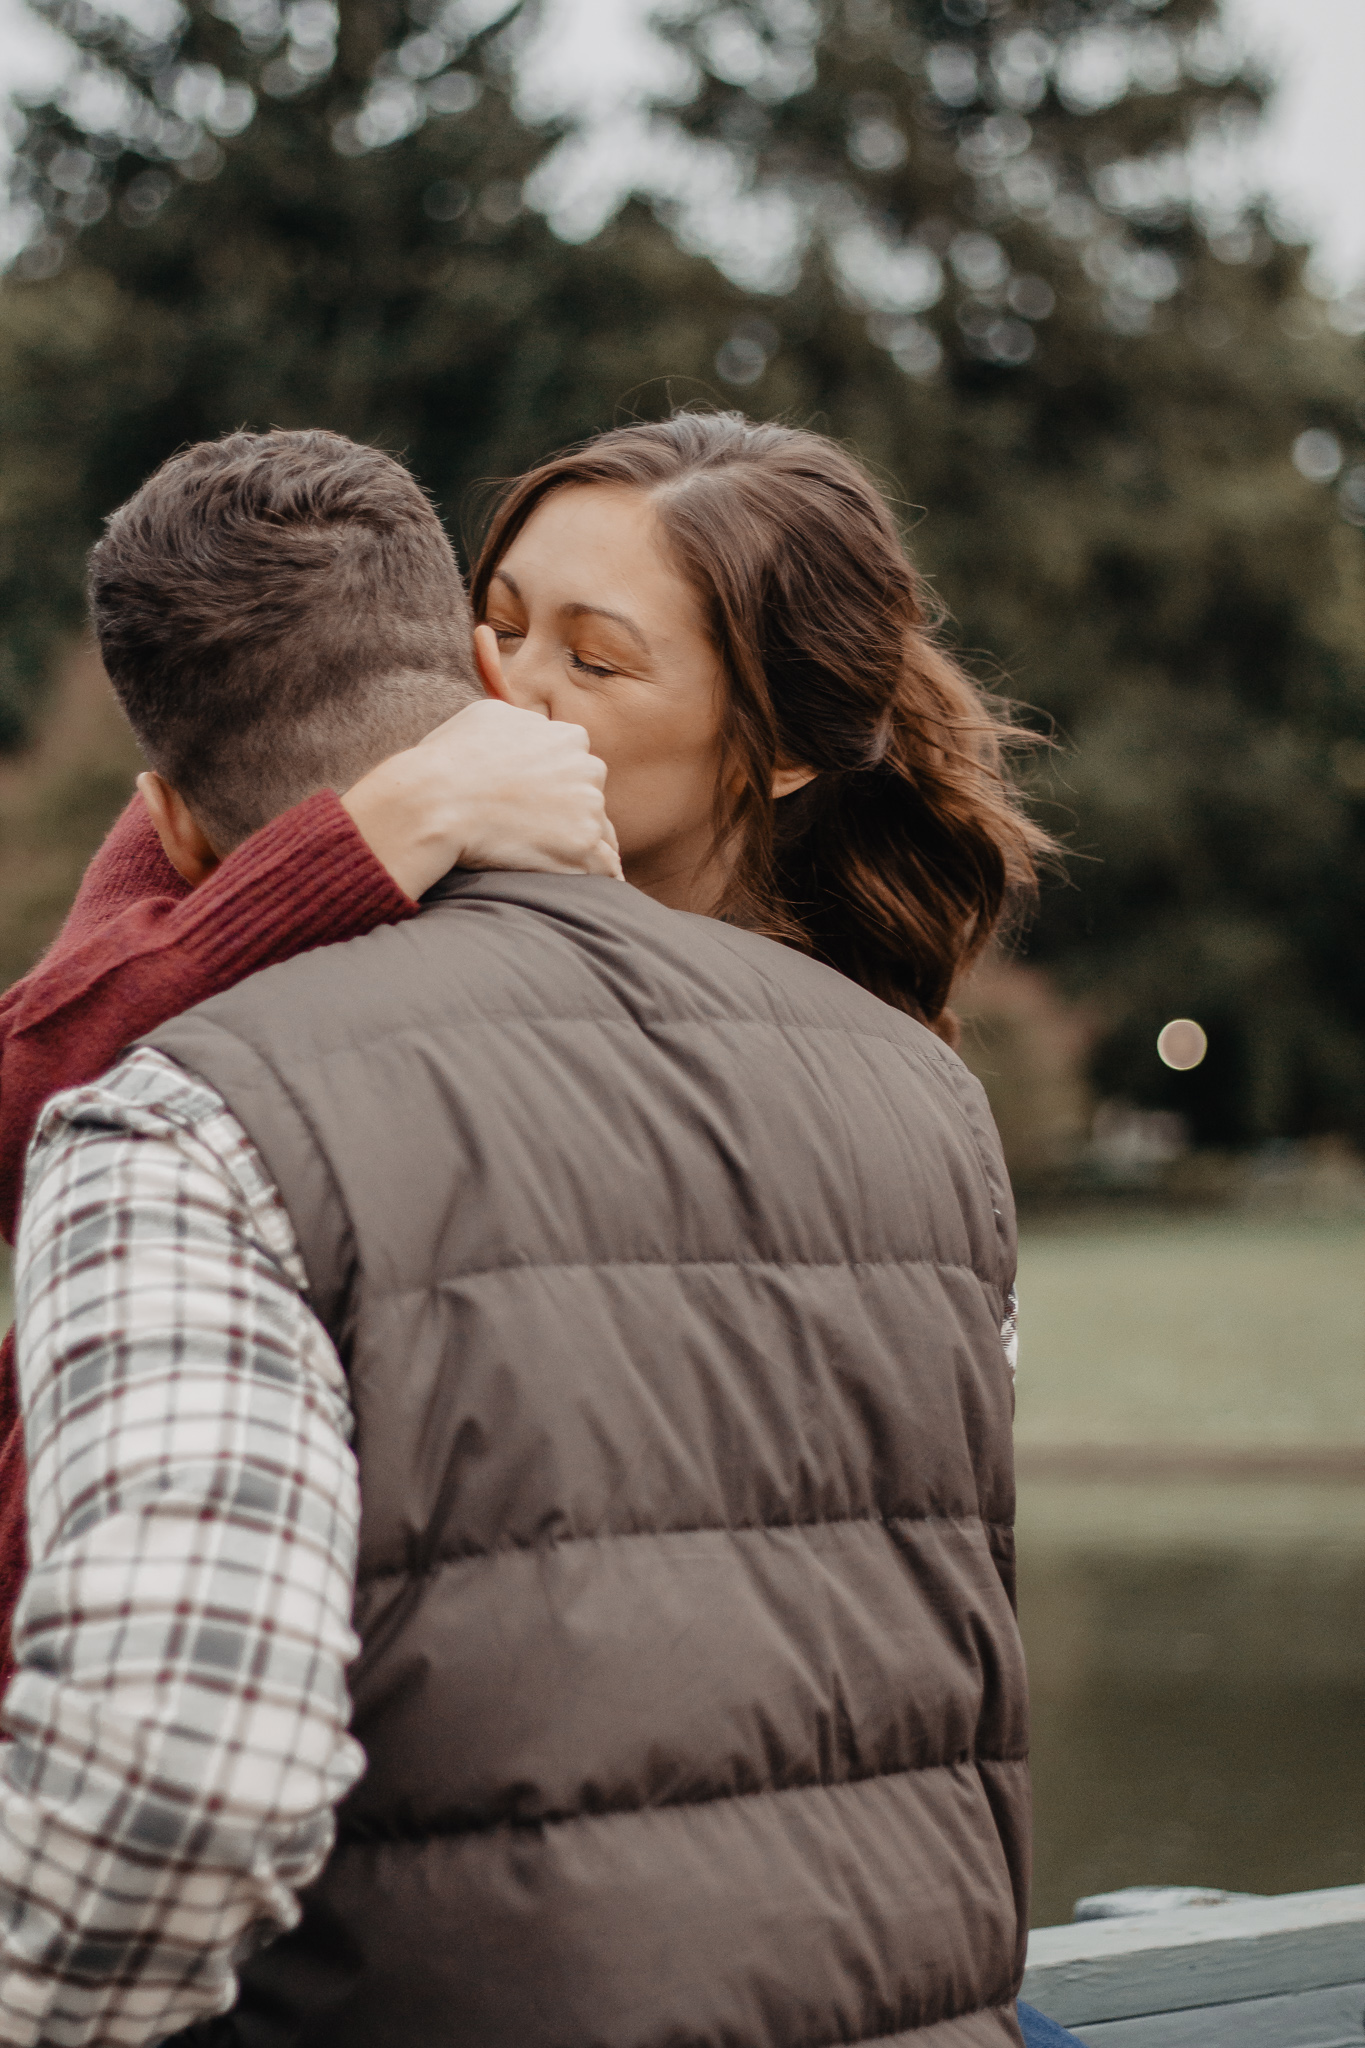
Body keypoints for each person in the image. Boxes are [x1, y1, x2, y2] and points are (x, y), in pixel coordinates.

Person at [6, 418, 1048, 2047]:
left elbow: (180, 1767)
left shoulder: (218, 1112)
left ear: (768, 751)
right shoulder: (920, 1101)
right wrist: (338, 839)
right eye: (486, 626)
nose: (496, 691)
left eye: (595, 658)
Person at [0, 555, 619, 1697]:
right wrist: (383, 824)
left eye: (594, 658)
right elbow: (31, 1104)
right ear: (471, 664)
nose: (532, 689)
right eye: (508, 629)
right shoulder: (269, 783)